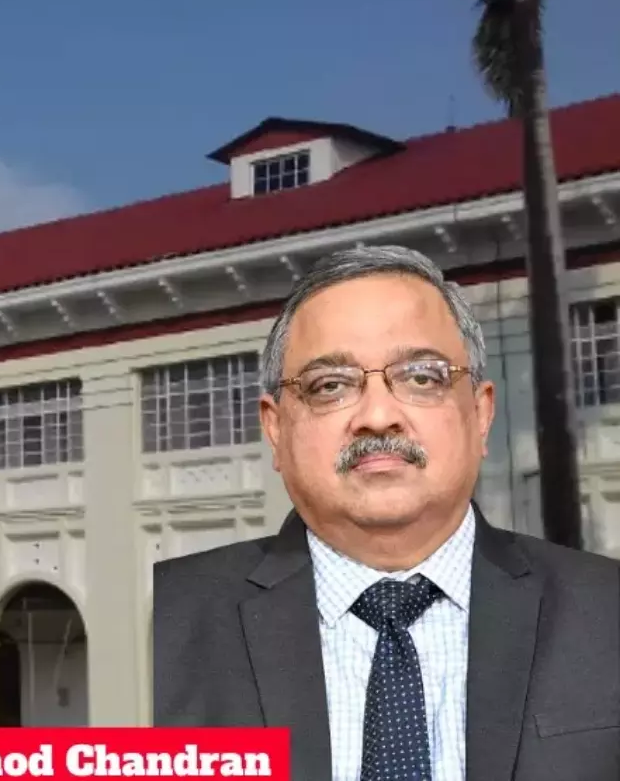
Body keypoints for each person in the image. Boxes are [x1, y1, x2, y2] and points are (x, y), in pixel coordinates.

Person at [152, 245, 619, 781]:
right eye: (330, 386)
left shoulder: (608, 611)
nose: (377, 416)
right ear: (276, 430)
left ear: (481, 414)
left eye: (422, 377)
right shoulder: (167, 619)